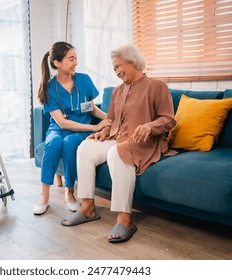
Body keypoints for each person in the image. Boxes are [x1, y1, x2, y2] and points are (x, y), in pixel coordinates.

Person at [61, 44, 176, 243]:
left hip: (144, 142)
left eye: (118, 66)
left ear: (133, 61)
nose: (116, 72)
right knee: (85, 148)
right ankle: (87, 207)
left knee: (116, 153)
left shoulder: (157, 86)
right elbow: (110, 121)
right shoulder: (117, 91)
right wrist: (103, 133)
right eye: (114, 69)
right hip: (118, 139)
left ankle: (125, 220)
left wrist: (149, 126)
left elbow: (169, 119)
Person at [33, 41, 111, 215]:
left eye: (76, 58)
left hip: (79, 131)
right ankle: (44, 195)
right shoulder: (49, 88)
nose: (75, 62)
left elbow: (90, 107)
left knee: (69, 143)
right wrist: (94, 128)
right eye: (71, 59)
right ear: (57, 63)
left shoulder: (83, 80)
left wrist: (109, 119)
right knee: (53, 143)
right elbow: (61, 123)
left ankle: (69, 192)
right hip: (59, 128)